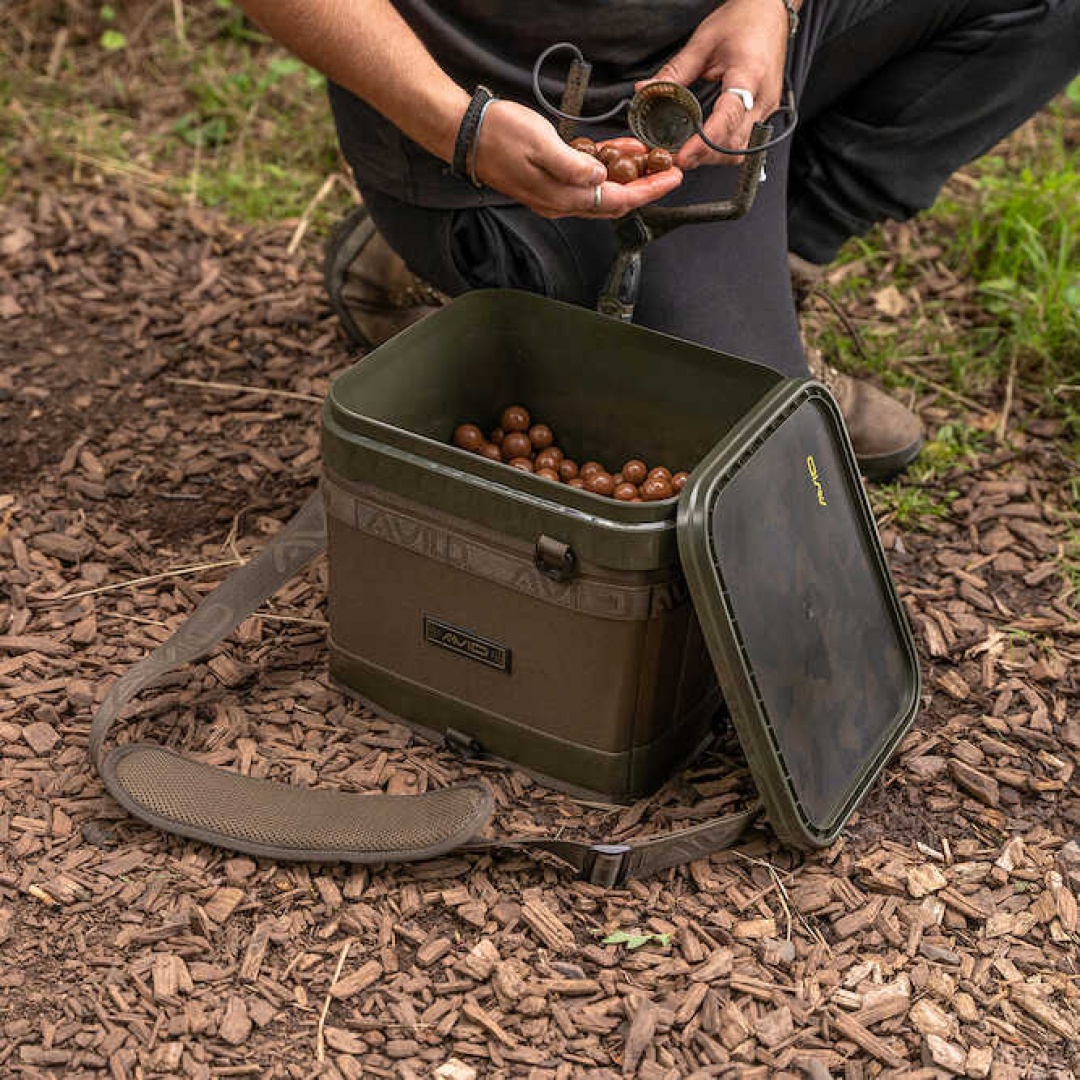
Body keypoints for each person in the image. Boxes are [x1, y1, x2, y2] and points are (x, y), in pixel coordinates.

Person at [235, 0, 1079, 479]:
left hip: (727, 34)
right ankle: (472, 254)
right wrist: (455, 127)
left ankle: (771, 257)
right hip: (495, 123)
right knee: (766, 471)